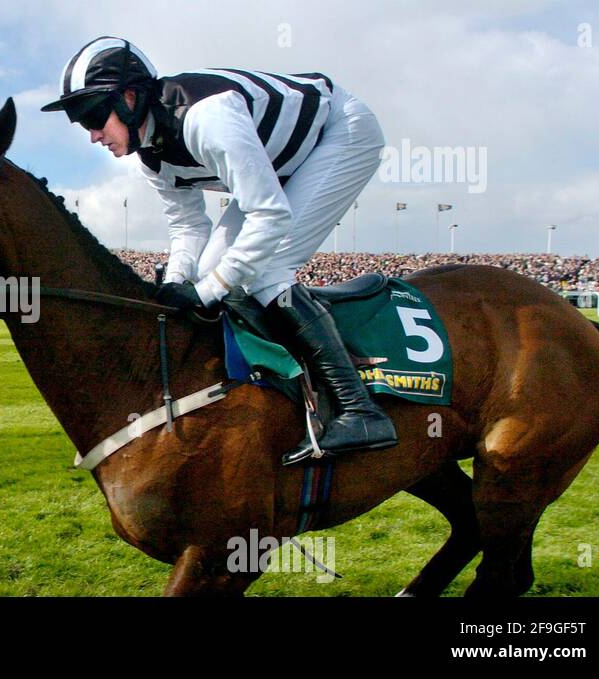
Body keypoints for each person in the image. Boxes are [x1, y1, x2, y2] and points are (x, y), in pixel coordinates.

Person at [41, 36, 396, 465]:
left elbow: (270, 218)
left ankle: (359, 409)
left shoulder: (208, 120)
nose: (94, 135)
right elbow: (188, 225)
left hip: (339, 134)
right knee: (209, 270)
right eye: (84, 124)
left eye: (95, 117)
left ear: (131, 97)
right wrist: (176, 281)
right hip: (282, 158)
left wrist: (208, 289)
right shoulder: (152, 156)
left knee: (265, 271)